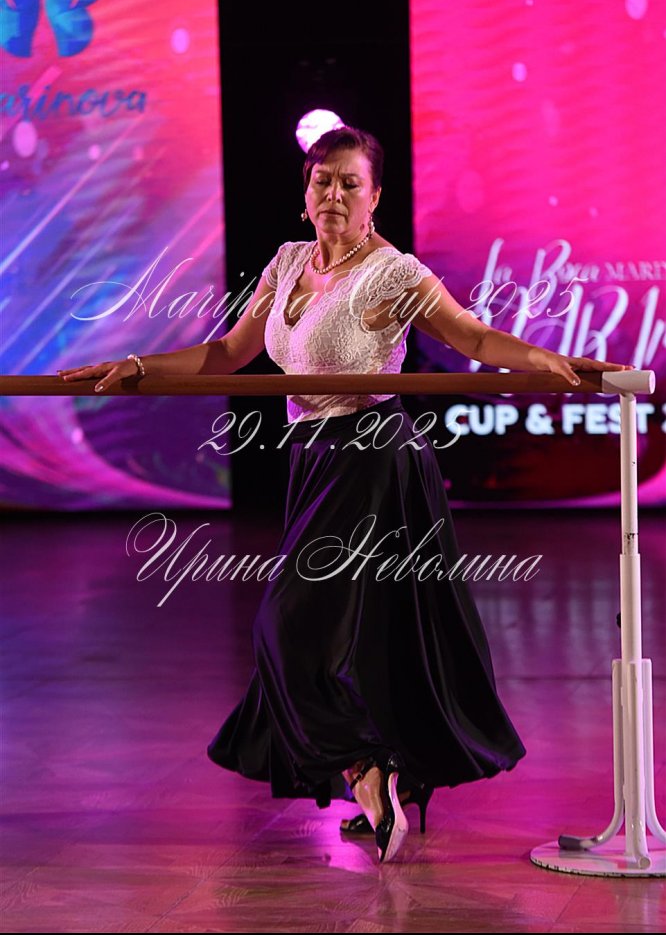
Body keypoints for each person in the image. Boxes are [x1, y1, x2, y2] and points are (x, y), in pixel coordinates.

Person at [57, 126, 635, 864]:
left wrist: (543, 359)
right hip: (312, 458)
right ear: (306, 193)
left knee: (286, 626)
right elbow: (228, 353)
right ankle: (394, 775)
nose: (333, 193)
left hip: (372, 455)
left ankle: (367, 772)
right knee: (371, 636)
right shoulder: (287, 262)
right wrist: (139, 366)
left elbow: (471, 337)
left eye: (349, 183)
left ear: (375, 197)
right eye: (322, 180)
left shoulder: (393, 272)